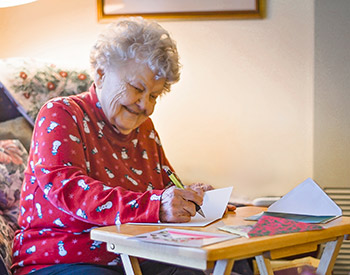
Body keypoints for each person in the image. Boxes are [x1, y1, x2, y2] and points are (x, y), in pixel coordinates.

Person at [11, 17, 212, 275]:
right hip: (60, 261)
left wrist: (190, 198)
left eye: (154, 95)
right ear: (101, 73)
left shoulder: (145, 130)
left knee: (203, 270)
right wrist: (155, 206)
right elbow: (70, 190)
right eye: (137, 88)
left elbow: (165, 188)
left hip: (136, 258)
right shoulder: (61, 114)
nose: (146, 106)